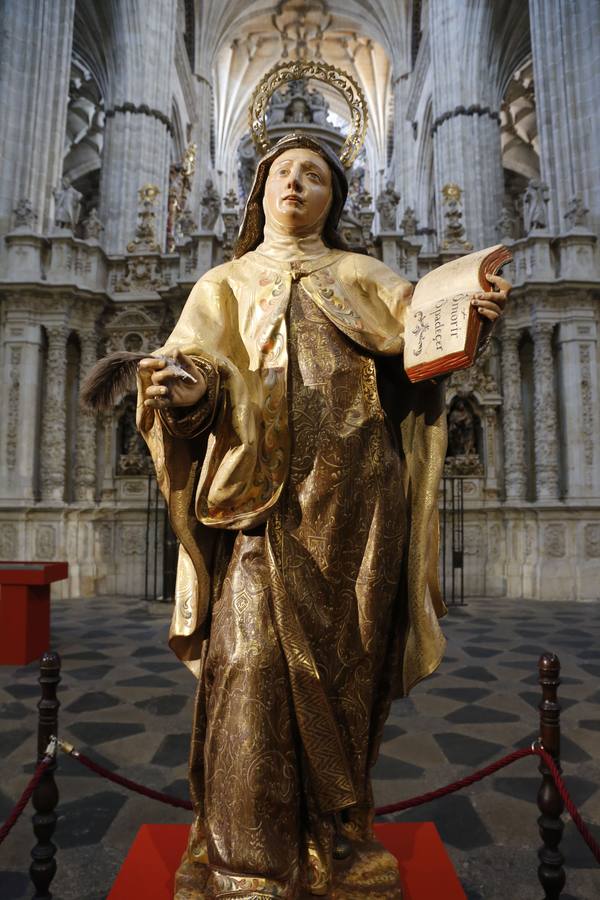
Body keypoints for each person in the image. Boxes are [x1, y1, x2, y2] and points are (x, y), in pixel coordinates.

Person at [137, 133, 508, 899]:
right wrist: (180, 390)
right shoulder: (225, 284)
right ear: (259, 191)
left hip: (360, 510)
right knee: (248, 669)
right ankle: (247, 862)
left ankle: (339, 838)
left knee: (347, 675)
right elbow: (194, 370)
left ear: (336, 196)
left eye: (314, 175)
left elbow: (426, 349)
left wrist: (472, 310)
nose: (297, 184)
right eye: (282, 173)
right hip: (259, 509)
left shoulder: (366, 276)